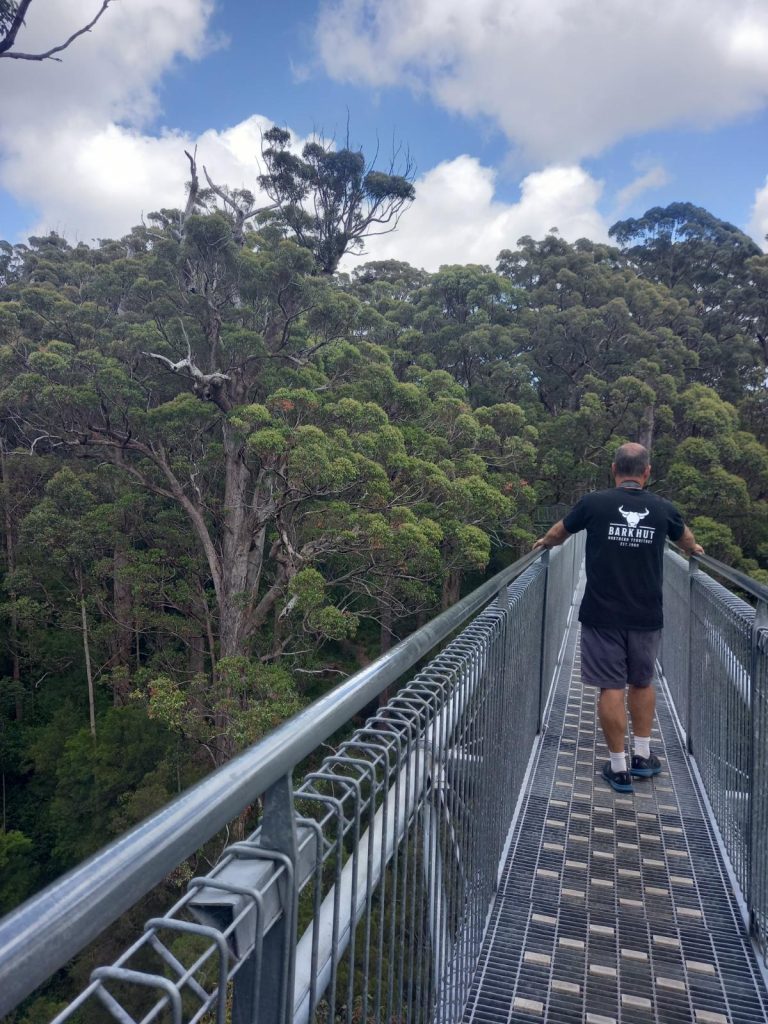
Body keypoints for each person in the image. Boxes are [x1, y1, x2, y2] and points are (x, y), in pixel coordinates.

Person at [533, 443, 703, 793]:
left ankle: (619, 767)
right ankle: (642, 756)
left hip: (602, 613)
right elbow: (685, 538)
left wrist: (543, 544)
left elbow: (559, 532)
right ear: (646, 472)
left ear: (614, 469)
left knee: (611, 686)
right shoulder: (662, 508)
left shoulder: (594, 503)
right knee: (642, 681)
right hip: (646, 613)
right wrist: (695, 551)